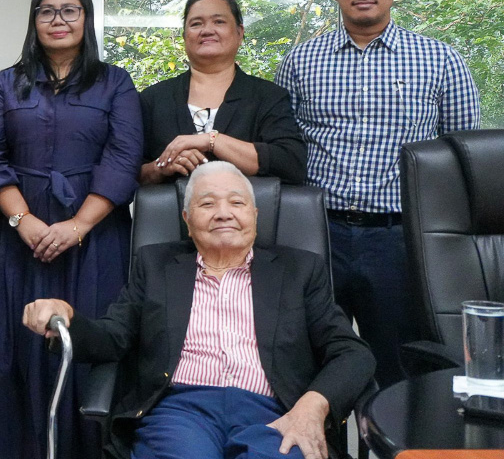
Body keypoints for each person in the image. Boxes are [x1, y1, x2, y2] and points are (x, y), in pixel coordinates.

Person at [21, 161, 374, 459]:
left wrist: (312, 406)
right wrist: (66, 319)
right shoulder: (156, 265)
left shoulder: (299, 270)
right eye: (207, 205)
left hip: (274, 413)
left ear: (254, 214)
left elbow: (352, 353)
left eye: (236, 202)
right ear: (188, 219)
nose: (223, 213)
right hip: (180, 411)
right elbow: (113, 337)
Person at [275, 0, 479, 385]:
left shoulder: (441, 61)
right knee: (307, 365)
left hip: (400, 241)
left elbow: (463, 162)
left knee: (397, 372)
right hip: (316, 236)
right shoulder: (300, 61)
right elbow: (283, 152)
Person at [0, 0, 143, 459]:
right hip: (22, 237)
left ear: (86, 19)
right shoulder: (8, 81)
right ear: (34, 21)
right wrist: (21, 221)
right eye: (47, 11)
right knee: (17, 349)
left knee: (91, 343)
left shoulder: (116, 82)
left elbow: (123, 158)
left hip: (96, 235)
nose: (58, 20)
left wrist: (78, 226)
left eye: (70, 11)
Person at [137, 0, 307, 186]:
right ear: (184, 36)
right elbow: (127, 173)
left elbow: (291, 164)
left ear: (239, 33)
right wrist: (161, 166)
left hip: (250, 215)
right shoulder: (153, 99)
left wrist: (212, 141)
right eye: (196, 24)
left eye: (219, 22)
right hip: (169, 216)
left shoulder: (268, 96)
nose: (207, 30)